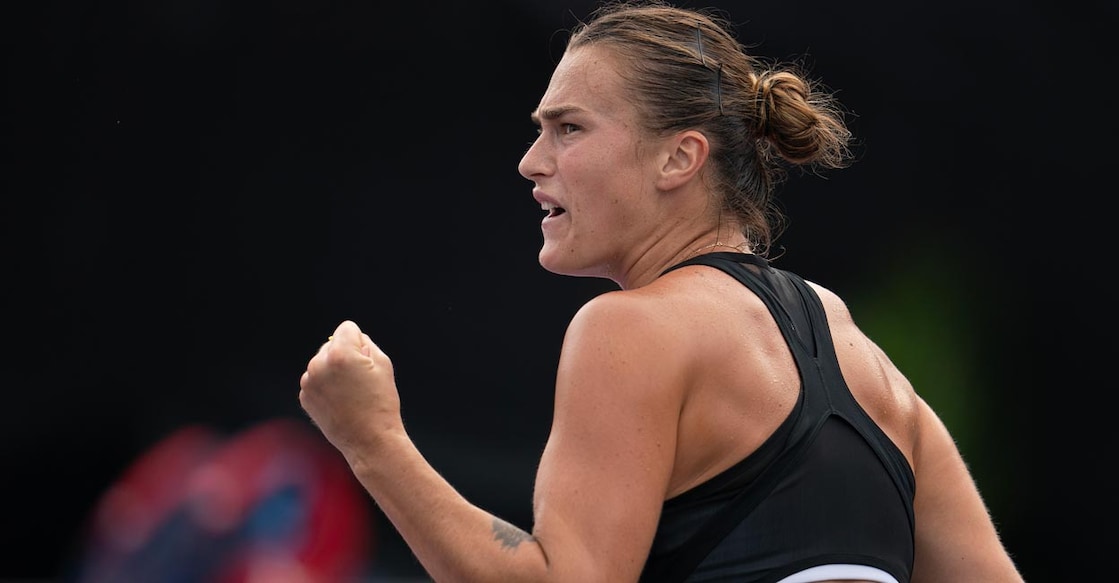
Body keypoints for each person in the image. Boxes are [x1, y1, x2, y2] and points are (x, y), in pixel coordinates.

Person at [298, 1, 1025, 581]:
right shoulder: (872, 371)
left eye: (568, 129)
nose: (529, 162)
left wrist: (372, 440)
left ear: (679, 156)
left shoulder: (630, 329)